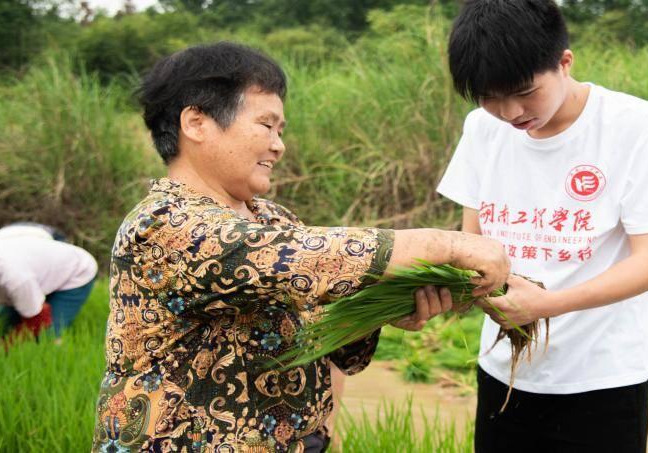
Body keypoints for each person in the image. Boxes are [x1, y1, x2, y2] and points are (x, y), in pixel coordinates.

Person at [91, 42, 509, 453]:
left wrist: (386, 307)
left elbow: (322, 328)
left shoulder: (273, 219)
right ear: (196, 123)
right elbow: (287, 257)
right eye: (266, 125)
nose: (279, 144)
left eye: (281, 130)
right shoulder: (163, 224)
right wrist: (446, 244)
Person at [436, 1, 648, 452]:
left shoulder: (641, 129)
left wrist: (548, 304)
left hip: (603, 381)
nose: (510, 113)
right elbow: (474, 243)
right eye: (489, 98)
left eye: (524, 92)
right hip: (504, 372)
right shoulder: (483, 128)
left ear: (564, 62)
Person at [0, 223, 98, 338]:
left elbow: (37, 319)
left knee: (46, 336)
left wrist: (4, 348)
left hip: (73, 272)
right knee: (4, 326)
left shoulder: (16, 279)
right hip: (33, 262)